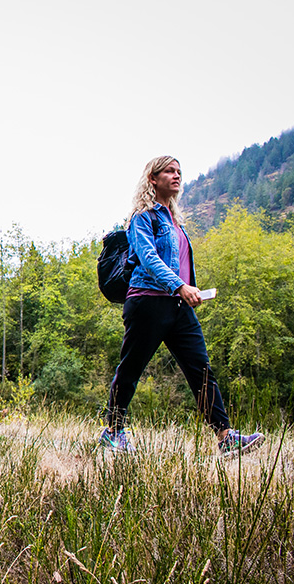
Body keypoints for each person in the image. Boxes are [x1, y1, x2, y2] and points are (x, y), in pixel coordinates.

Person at [102, 156, 265, 457]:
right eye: (169, 171)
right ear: (152, 178)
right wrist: (178, 285)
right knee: (130, 369)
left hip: (178, 307)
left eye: (179, 172)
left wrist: (190, 291)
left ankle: (225, 437)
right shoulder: (143, 217)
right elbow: (148, 258)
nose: (177, 176)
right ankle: (112, 431)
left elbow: (181, 264)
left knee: (201, 370)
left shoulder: (175, 222)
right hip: (147, 302)